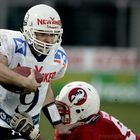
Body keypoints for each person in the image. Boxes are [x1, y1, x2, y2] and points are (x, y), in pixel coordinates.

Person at [0, 4, 83, 140]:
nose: (48, 39)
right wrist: (23, 82)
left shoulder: (59, 57)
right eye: (42, 33)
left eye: (52, 34)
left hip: (27, 126)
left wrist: (58, 124)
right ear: (28, 31)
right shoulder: (10, 42)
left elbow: (44, 89)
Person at [55, 81, 140, 140]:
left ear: (80, 110)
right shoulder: (90, 120)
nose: (59, 112)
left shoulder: (85, 131)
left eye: (64, 109)